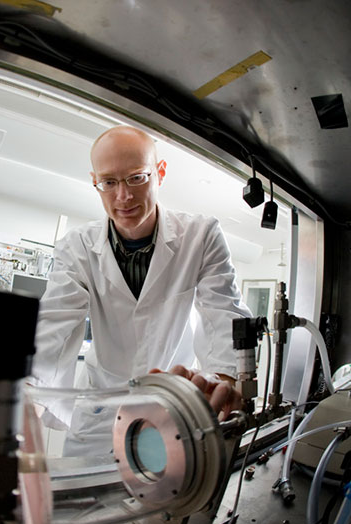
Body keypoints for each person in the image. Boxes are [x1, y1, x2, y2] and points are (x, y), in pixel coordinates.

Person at [31, 125, 252, 456]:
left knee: (165, 501)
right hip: (99, 412)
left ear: (159, 173)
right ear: (96, 182)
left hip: (171, 408)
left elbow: (224, 314)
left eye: (136, 178)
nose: (123, 196)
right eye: (109, 182)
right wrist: (28, 397)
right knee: (85, 503)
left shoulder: (201, 236)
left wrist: (223, 379)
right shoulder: (76, 247)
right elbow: (54, 325)